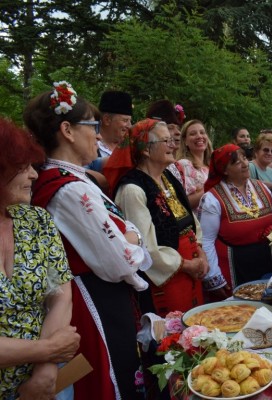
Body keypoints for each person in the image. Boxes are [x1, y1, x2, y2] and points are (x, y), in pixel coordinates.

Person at [26, 81, 150, 400]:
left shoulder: (73, 180)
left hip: (98, 293)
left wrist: (128, 235)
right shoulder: (69, 189)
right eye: (92, 125)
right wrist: (133, 237)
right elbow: (119, 259)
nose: (97, 134)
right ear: (67, 130)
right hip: (93, 300)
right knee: (108, 380)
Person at [105, 119, 226, 314]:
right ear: (146, 150)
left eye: (172, 140)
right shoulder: (132, 190)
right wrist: (186, 265)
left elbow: (190, 219)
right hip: (167, 278)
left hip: (192, 268)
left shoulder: (167, 178)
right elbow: (144, 246)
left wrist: (201, 251)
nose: (173, 145)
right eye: (166, 141)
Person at [0, 118, 80, 400]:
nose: (34, 175)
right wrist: (49, 350)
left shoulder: (36, 219)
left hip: (46, 384)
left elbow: (59, 294)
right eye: (23, 167)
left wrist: (45, 370)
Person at [201, 144, 272, 288]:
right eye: (236, 162)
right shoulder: (212, 199)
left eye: (244, 158)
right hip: (236, 268)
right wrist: (215, 278)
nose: (245, 164)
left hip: (267, 262)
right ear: (225, 170)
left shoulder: (262, 187)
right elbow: (207, 240)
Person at [176, 119, 213, 217]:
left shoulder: (212, 166)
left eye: (202, 132)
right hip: (198, 225)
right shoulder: (184, 165)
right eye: (193, 134)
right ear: (185, 141)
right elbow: (183, 203)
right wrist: (212, 187)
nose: (199, 136)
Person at [97, 91, 133, 158]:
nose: (130, 126)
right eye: (125, 120)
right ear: (107, 120)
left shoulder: (130, 148)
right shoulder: (89, 145)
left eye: (130, 121)